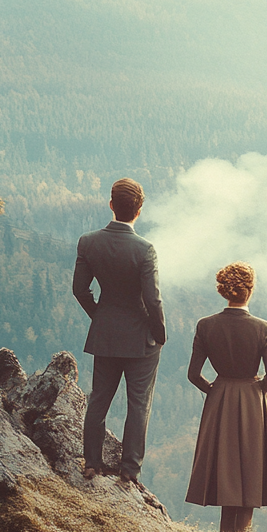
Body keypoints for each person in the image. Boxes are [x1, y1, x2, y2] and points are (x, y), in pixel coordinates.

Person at [73, 177, 166, 485]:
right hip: (141, 339)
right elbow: (153, 299)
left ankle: (92, 463)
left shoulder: (88, 242)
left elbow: (79, 289)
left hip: (106, 332)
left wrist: (99, 315)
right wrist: (159, 332)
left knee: (99, 398)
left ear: (111, 205)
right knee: (138, 404)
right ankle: (129, 471)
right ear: (139, 210)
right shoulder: (145, 249)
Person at [184, 262, 267, 532]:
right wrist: (255, 391)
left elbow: (194, 374)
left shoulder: (206, 325)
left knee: (225, 468)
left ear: (223, 291)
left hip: (220, 403)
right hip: (254, 403)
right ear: (250, 290)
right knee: (251, 469)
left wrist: (216, 391)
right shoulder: (262, 328)